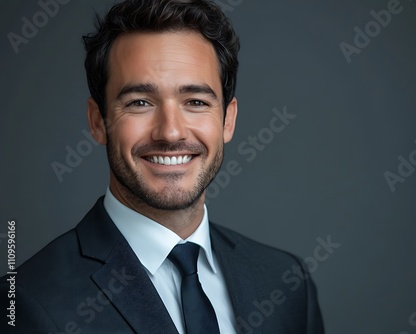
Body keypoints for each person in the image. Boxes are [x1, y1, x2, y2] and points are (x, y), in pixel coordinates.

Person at [1, 0, 324, 333]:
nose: (170, 132)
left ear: (228, 120)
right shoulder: (25, 302)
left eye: (196, 102)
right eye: (140, 102)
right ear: (98, 121)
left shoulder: (287, 283)